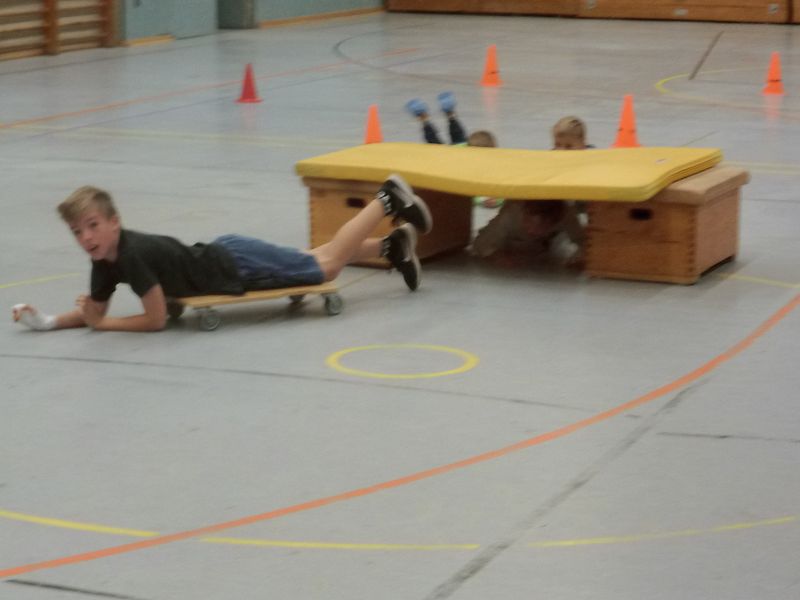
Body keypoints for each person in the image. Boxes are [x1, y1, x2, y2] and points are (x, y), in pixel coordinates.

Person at [12, 175, 431, 333]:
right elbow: (94, 311)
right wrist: (46, 321)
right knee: (312, 257)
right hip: (227, 255)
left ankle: (386, 199)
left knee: (327, 266)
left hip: (234, 267)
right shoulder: (104, 258)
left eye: (92, 225)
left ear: (114, 223)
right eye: (77, 231)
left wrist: (104, 324)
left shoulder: (131, 255)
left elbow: (154, 320)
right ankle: (390, 247)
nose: (85, 237)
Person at [470, 116, 590, 265]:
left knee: (573, 219)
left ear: (583, 146)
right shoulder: (512, 216)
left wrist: (582, 254)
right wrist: (492, 254)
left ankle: (549, 235)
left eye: (568, 146)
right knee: (504, 223)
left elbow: (582, 235)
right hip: (530, 204)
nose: (561, 151)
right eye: (557, 145)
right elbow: (480, 243)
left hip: (558, 209)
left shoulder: (566, 214)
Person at [406, 92, 502, 209]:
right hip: (452, 156)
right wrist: (485, 201)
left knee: (440, 139)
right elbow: (466, 191)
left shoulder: (490, 168)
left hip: (455, 154)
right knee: (450, 137)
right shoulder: (474, 167)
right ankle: (443, 115)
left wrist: (492, 200)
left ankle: (427, 118)